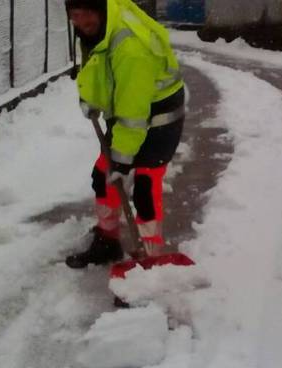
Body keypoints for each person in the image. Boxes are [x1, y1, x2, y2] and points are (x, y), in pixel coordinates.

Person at [64, 0, 186, 268]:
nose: (82, 25)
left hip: (160, 117)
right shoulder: (101, 25)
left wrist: (122, 160)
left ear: (99, 10)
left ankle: (150, 259)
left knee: (143, 187)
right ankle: (108, 242)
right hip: (131, 111)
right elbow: (101, 66)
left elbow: (134, 114)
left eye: (87, 17)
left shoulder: (130, 47)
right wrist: (92, 99)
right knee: (103, 176)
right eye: (75, 17)